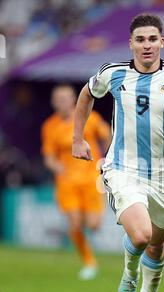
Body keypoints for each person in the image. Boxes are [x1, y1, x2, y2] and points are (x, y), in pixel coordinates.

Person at [72, 14, 164, 292]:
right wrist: (78, 137)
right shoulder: (114, 74)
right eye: (140, 40)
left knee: (157, 247)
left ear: (162, 42)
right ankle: (129, 275)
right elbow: (88, 94)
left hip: (162, 174)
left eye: (152, 39)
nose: (147, 45)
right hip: (122, 168)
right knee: (142, 235)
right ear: (131, 43)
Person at [41, 84, 111, 280]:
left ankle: (88, 238)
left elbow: (107, 136)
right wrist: (57, 167)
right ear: (53, 102)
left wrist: (108, 159)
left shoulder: (90, 118)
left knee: (94, 225)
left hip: (91, 180)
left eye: (66, 98)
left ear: (74, 100)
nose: (62, 102)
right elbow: (49, 156)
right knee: (74, 223)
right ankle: (89, 262)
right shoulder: (50, 126)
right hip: (67, 183)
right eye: (58, 99)